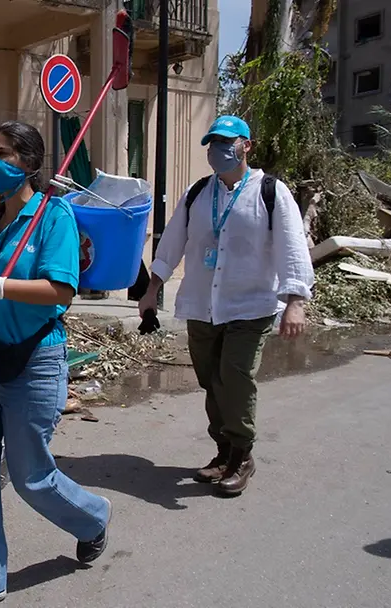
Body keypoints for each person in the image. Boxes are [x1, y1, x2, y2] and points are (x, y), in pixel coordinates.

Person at [0, 121, 111, 608]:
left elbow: (61, 291)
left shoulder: (53, 217)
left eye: (7, 152)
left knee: (31, 475)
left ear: (30, 163)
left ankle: (92, 517)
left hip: (34, 361)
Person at [138, 115, 314, 497]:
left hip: (250, 306)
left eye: (225, 142)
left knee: (234, 376)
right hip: (203, 305)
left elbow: (292, 247)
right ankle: (223, 450)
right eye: (212, 143)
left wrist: (295, 301)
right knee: (210, 380)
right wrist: (152, 289)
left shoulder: (270, 191)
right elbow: (172, 243)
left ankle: (242, 455)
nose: (217, 150)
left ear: (246, 145)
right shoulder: (199, 191)